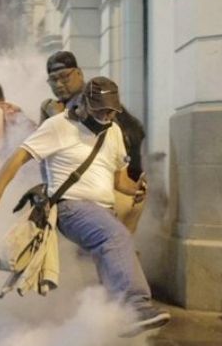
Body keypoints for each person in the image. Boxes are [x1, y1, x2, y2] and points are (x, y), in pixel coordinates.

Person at [0, 77, 170, 336]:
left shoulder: (112, 132)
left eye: (112, 111)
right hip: (70, 207)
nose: (107, 115)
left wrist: (136, 188)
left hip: (103, 210)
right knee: (115, 236)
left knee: (114, 259)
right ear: (86, 103)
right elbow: (18, 157)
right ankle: (134, 306)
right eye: (101, 110)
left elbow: (117, 179)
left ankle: (110, 326)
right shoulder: (58, 126)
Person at [41, 51, 147, 233]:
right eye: (53, 80)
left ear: (79, 73)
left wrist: (54, 116)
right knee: (118, 248)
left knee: (103, 250)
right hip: (125, 191)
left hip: (111, 193)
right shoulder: (91, 97)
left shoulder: (82, 104)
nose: (59, 84)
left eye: (64, 77)